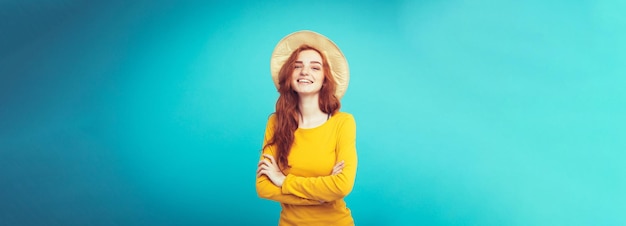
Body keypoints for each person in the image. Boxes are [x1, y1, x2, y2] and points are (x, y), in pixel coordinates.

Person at [256, 30, 358, 226]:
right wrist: (319, 196)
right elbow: (264, 187)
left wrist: (283, 180)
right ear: (289, 74)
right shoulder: (276, 123)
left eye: (315, 67)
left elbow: (342, 185)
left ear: (325, 79)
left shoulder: (343, 123)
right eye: (297, 66)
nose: (305, 72)